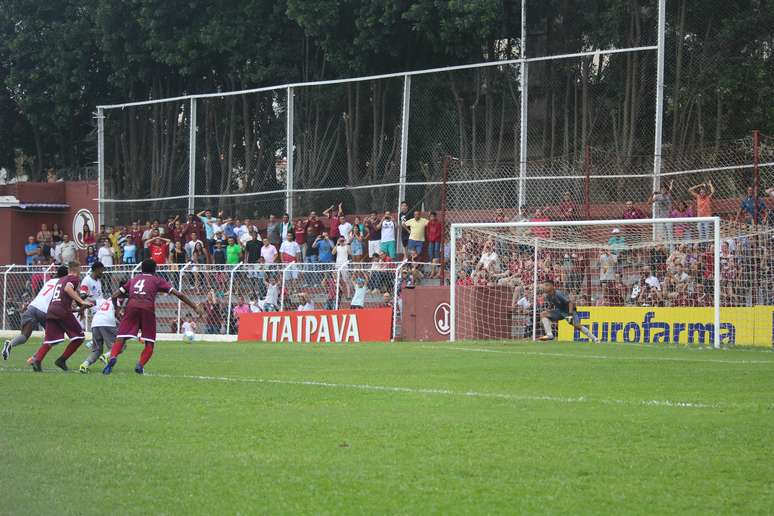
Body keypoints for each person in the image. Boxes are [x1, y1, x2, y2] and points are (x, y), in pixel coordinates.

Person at [103, 259, 202, 375]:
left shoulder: (134, 280)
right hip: (147, 308)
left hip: (131, 307)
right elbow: (178, 294)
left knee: (121, 337)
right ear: (155, 270)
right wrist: (194, 306)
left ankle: (113, 357)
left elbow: (114, 295)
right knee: (149, 342)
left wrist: (117, 309)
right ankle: (140, 365)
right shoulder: (157, 280)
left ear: (141, 269)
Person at [28, 261, 94, 372]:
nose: (80, 271)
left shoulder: (61, 280)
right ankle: (61, 360)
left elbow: (63, 296)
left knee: (50, 339)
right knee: (79, 337)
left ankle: (37, 360)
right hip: (62, 311)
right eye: (80, 269)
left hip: (52, 310)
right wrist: (82, 302)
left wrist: (79, 308)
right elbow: (68, 289)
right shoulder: (73, 279)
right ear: (76, 269)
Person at [2, 265, 68, 360]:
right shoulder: (63, 283)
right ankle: (36, 357)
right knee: (56, 337)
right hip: (44, 311)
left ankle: (10, 344)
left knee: (24, 335)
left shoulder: (49, 282)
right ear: (65, 276)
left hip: (33, 307)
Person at [79, 295, 118, 373]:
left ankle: (84, 365)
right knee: (120, 345)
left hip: (95, 323)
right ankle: (105, 356)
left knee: (97, 350)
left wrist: (81, 309)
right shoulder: (118, 301)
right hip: (107, 323)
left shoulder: (103, 301)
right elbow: (119, 314)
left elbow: (91, 303)